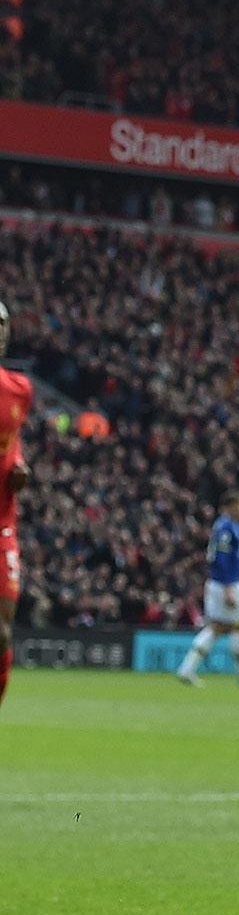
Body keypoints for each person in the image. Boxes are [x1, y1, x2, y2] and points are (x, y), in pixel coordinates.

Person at [176, 493, 239, 689]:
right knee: (237, 628)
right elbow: (221, 559)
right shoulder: (227, 528)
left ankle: (187, 669)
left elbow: (231, 561)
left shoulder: (224, 527)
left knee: (216, 628)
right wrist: (230, 586)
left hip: (220, 583)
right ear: (230, 506)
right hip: (225, 585)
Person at [0, 300, 33, 712]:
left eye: (4, 323)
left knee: (2, 636)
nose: (0, 330)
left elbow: (13, 441)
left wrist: (20, 466)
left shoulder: (20, 390)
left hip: (2, 523)